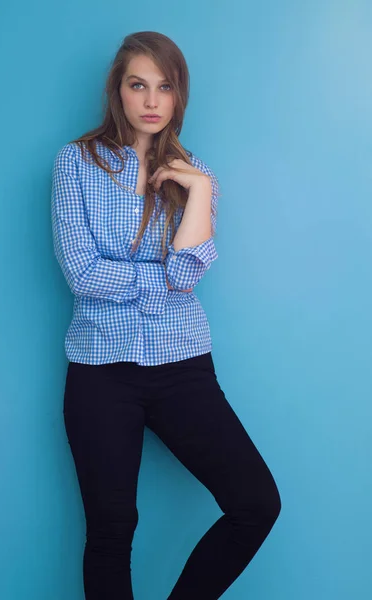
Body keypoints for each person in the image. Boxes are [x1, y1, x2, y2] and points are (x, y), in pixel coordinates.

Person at [51, 30, 281, 600]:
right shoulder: (76, 163)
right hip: (100, 373)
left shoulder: (195, 174)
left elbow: (187, 275)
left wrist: (199, 193)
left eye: (165, 87)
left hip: (183, 369)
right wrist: (159, 277)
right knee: (111, 531)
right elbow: (83, 275)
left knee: (255, 504)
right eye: (138, 85)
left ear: (179, 97)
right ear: (118, 92)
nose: (152, 100)